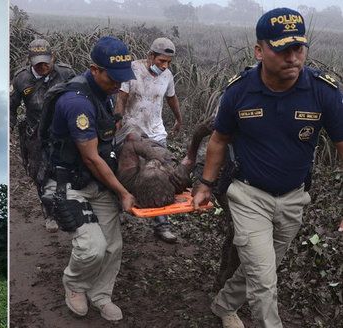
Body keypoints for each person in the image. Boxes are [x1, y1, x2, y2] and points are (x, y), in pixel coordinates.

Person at [192, 8, 343, 328]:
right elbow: (218, 140)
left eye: (298, 48)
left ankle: (223, 305)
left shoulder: (323, 91)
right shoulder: (239, 91)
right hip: (248, 195)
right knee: (263, 280)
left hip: (294, 197)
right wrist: (205, 184)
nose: (292, 57)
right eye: (282, 49)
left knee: (262, 265)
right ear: (259, 51)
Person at [39, 35, 136, 321]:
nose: (118, 85)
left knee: (113, 245)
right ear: (95, 70)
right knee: (92, 248)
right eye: (113, 78)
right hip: (69, 183)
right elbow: (91, 157)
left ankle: (101, 294)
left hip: (98, 181)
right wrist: (123, 192)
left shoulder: (104, 94)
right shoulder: (76, 103)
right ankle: (75, 285)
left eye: (122, 78)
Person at [115, 37, 182, 243]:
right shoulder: (131, 70)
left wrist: (179, 118)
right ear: (150, 55)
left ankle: (162, 225)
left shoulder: (167, 75)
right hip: (132, 131)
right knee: (127, 174)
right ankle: (117, 212)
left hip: (156, 133)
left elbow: (171, 97)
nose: (164, 66)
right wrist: (117, 120)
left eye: (168, 62)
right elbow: (122, 97)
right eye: (161, 61)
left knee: (160, 177)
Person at [10, 39, 76, 233]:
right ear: (30, 60)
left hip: (63, 132)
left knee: (66, 171)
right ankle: (49, 213)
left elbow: (80, 96)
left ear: (53, 57)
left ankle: (69, 205)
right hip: (36, 134)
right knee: (40, 175)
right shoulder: (21, 79)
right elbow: (10, 108)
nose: (43, 66)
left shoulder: (66, 73)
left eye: (46, 61)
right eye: (37, 62)